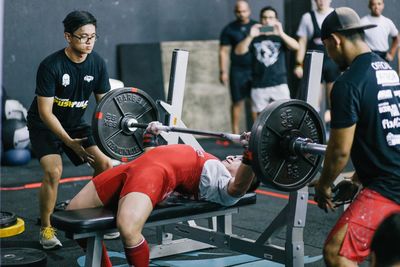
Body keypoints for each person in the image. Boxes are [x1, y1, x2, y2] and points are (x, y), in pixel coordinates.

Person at [66, 122, 257, 267]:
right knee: (74, 211)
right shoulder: (215, 163)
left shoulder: (225, 188)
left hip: (154, 173)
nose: (233, 156)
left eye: (239, 159)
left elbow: (239, 186)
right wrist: (150, 135)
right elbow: (155, 155)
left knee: (128, 229)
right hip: (138, 166)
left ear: (248, 176)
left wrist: (251, 151)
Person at [313, 7, 400, 266]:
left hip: (389, 186)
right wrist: (358, 177)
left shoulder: (347, 83)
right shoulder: (387, 70)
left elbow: (340, 150)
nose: (328, 53)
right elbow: (384, 129)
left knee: (337, 253)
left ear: (335, 40)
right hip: (388, 178)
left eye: (327, 46)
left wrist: (323, 185)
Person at [26, 10, 113, 249]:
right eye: (83, 37)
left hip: (75, 123)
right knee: (54, 171)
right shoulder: (51, 65)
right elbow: (45, 112)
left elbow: (105, 105)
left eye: (93, 36)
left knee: (105, 166)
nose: (89, 42)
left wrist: (116, 132)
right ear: (68, 37)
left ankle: (84, 212)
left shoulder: (97, 63)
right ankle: (46, 228)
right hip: (45, 125)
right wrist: (69, 141)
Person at [235, 6, 299, 120]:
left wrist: (281, 33)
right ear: (260, 20)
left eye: (271, 18)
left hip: (279, 83)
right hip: (259, 84)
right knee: (260, 120)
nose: (267, 20)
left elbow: (296, 46)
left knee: (285, 115)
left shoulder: (279, 37)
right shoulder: (254, 37)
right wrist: (250, 36)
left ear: (276, 20)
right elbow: (238, 51)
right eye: (264, 18)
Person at [294, 0, 340, 120]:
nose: (321, 1)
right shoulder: (307, 17)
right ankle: (317, 129)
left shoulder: (336, 15)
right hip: (315, 60)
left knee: (334, 99)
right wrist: (299, 63)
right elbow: (302, 42)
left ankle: (333, 130)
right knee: (314, 101)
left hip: (332, 61)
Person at [219, 0, 257, 134]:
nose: (241, 14)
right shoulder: (229, 29)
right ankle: (234, 132)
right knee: (237, 101)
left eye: (244, 11)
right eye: (239, 11)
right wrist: (223, 71)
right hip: (237, 70)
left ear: (249, 11)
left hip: (255, 69)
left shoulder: (257, 26)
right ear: (235, 12)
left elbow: (273, 33)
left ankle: (256, 132)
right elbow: (223, 51)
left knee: (255, 102)